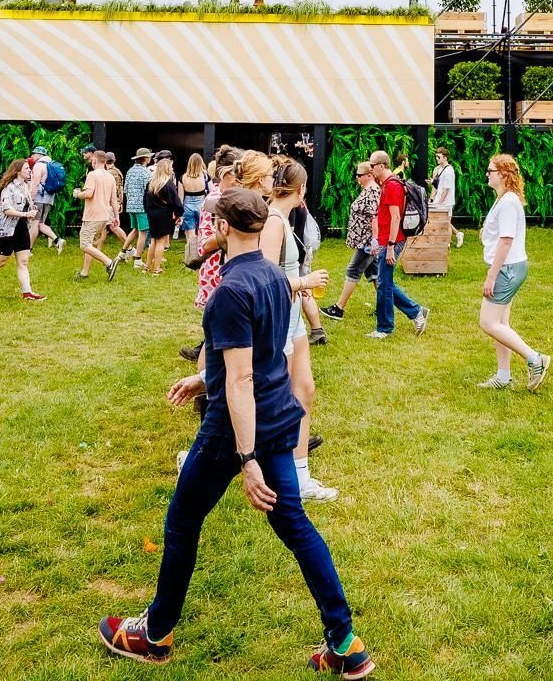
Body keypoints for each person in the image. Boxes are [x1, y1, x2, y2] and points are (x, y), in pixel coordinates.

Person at [97, 186, 372, 673]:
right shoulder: (276, 276)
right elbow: (259, 356)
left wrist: (246, 460)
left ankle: (155, 635)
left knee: (182, 523)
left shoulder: (229, 291)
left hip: (233, 431)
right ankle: (345, 644)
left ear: (224, 228)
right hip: (279, 417)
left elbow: (243, 378)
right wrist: (205, 376)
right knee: (296, 525)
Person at [251, 155, 336, 499]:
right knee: (270, 400)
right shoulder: (273, 221)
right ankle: (205, 456)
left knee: (304, 389)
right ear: (301, 189)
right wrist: (304, 282)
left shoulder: (283, 219)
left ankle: (301, 478)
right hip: (278, 320)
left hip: (293, 317)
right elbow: (264, 279)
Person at [473, 154, 551, 391]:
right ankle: (503, 376)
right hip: (511, 267)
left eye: (490, 171)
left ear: (503, 174)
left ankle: (535, 359)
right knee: (501, 323)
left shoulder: (507, 201)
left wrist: (491, 276)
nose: (487, 174)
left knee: (488, 323)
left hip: (506, 269)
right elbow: (501, 234)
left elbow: (506, 241)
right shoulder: (504, 199)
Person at [365, 151, 426, 339]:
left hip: (392, 240)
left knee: (384, 285)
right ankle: (417, 311)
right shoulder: (387, 184)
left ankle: (384, 328)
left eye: (372, 166)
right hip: (386, 240)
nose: (370, 169)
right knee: (385, 282)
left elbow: (396, 217)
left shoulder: (392, 185)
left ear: (381, 166)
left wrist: (390, 246)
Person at [322, 160, 378, 322]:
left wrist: (374, 241)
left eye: (359, 175)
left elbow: (375, 217)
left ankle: (339, 308)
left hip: (367, 242)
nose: (357, 178)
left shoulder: (373, 191)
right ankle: (384, 307)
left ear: (369, 175)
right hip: (365, 240)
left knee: (353, 270)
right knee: (374, 274)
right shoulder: (368, 190)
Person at [0, 157, 44, 301]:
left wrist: (31, 212)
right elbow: (6, 209)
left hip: (22, 228)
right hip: (8, 230)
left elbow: (27, 205)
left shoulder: (25, 186)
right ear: (17, 171)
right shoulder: (9, 188)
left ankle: (27, 292)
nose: (29, 170)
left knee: (23, 261)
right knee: (0, 261)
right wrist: (25, 214)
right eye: (26, 168)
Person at [76, 149, 122, 282]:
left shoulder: (92, 175)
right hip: (105, 216)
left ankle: (109, 263)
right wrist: (116, 217)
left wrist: (78, 194)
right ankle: (84, 273)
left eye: (92, 160)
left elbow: (88, 194)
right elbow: (114, 200)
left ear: (94, 160)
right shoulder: (110, 176)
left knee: (85, 245)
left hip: (92, 216)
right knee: (90, 244)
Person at [144, 152, 183, 276]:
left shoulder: (151, 183)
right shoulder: (168, 184)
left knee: (153, 241)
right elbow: (176, 202)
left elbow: (145, 201)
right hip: (164, 215)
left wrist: (149, 212)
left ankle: (146, 267)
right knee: (161, 242)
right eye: (170, 167)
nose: (172, 169)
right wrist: (178, 214)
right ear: (166, 168)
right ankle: (157, 269)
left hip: (152, 214)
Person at [123, 149, 155, 266]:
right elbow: (149, 190)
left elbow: (125, 189)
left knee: (135, 230)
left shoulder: (130, 171)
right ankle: (137, 259)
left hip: (131, 206)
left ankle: (122, 252)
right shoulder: (146, 172)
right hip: (142, 207)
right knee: (143, 233)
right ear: (146, 158)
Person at [429, 148, 461, 249]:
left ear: (445, 158)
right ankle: (448, 240)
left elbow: (446, 189)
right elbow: (439, 185)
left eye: (439, 157)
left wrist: (440, 203)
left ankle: (447, 243)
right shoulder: (440, 169)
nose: (436, 159)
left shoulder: (449, 171)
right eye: (436, 157)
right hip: (439, 200)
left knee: (446, 223)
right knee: (441, 222)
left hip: (446, 202)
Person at [179, 153, 208, 244]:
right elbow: (212, 192)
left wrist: (179, 213)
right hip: (202, 204)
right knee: (202, 230)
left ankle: (191, 250)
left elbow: (180, 198)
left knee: (190, 232)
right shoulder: (205, 176)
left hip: (187, 205)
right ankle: (201, 249)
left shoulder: (183, 178)